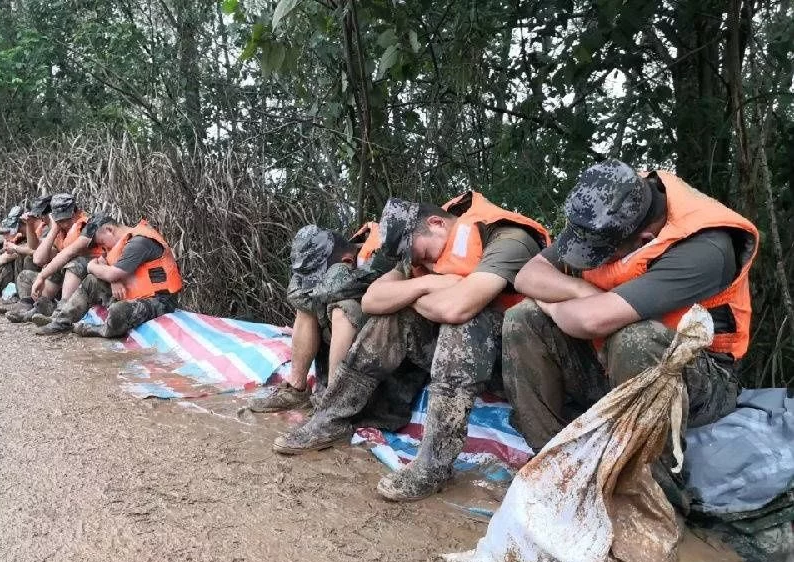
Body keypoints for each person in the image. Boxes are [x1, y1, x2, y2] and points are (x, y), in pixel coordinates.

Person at [502, 159, 759, 502]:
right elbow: (528, 276)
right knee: (523, 317)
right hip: (610, 360)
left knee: (635, 339)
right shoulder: (607, 209)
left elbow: (591, 321)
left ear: (643, 239)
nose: (591, 262)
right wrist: (581, 291)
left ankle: (650, 493)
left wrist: (555, 303)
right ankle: (554, 465)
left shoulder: (706, 247)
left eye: (600, 256)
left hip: (699, 379)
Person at [273, 191, 550, 501]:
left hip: (516, 365)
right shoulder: (419, 252)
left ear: (436, 223)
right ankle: (332, 418)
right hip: (461, 355)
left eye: (421, 253)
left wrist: (410, 295)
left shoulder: (508, 239)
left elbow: (458, 308)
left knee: (464, 321)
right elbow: (372, 300)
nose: (421, 263)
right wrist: (426, 284)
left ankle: (434, 463)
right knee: (391, 316)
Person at [248, 221, 389, 412]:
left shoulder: (380, 257)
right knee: (306, 308)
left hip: (380, 343)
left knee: (343, 309)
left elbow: (335, 287)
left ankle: (333, 402)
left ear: (347, 261)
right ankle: (296, 389)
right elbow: (297, 293)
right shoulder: (336, 256)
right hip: (343, 344)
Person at [34, 213, 182, 337]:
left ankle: (100, 330)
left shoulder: (139, 242)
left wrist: (93, 268)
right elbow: (101, 262)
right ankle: (61, 322)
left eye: (102, 242)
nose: (103, 247)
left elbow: (108, 271)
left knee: (119, 311)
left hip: (159, 300)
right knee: (92, 281)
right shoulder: (121, 242)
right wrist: (110, 278)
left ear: (109, 230)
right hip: (132, 293)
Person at [7, 193, 93, 324]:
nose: (64, 224)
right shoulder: (60, 229)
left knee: (72, 263)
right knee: (49, 266)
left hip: (88, 275)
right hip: (67, 278)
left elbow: (68, 253)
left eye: (65, 219)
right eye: (59, 220)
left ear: (74, 213)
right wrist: (53, 229)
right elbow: (38, 258)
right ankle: (36, 307)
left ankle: (60, 314)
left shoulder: (86, 225)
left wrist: (42, 276)